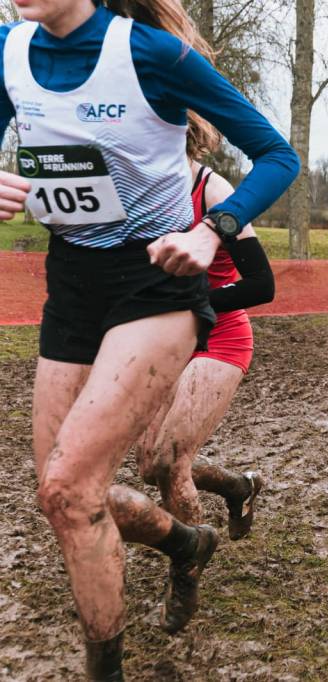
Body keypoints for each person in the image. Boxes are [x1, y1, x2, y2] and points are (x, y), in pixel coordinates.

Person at [1, 0, 299, 678]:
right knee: (63, 497)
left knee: (102, 479)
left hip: (157, 286)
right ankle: (186, 544)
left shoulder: (151, 55)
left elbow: (278, 156)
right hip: (72, 287)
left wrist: (213, 231)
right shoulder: (8, 52)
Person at [136, 143, 274, 540]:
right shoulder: (139, 191)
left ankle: (189, 561)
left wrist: (190, 304)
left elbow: (262, 284)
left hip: (220, 337)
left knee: (171, 461)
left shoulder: (214, 193)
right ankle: (239, 487)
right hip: (167, 341)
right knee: (150, 467)